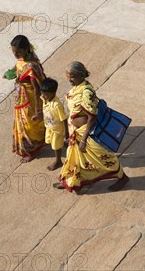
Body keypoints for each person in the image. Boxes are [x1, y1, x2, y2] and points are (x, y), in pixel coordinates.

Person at [56, 61, 129, 192]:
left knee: (103, 155)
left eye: (72, 77)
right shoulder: (77, 87)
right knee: (73, 156)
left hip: (86, 132)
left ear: (80, 75)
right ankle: (70, 180)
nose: (70, 80)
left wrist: (84, 139)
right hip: (75, 130)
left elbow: (92, 117)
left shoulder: (86, 92)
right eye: (68, 77)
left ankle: (122, 177)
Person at [4, 35, 46, 162]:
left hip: (30, 100)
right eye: (14, 52)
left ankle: (31, 150)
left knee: (28, 125)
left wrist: (38, 109)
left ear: (26, 49)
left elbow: (37, 88)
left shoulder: (32, 66)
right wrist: (10, 74)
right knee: (23, 123)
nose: (16, 55)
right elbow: (17, 67)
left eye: (18, 52)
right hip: (21, 98)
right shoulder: (23, 59)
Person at [40, 77, 67, 171]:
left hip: (57, 129)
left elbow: (64, 119)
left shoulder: (57, 105)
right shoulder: (45, 99)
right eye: (42, 93)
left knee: (56, 146)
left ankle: (58, 161)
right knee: (49, 141)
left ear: (53, 92)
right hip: (49, 126)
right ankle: (63, 143)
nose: (43, 95)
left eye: (46, 94)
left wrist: (66, 132)